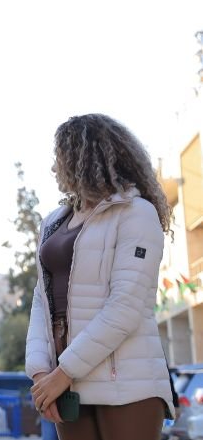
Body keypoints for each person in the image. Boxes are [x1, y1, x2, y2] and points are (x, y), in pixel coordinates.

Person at [26, 114, 175, 440]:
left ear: (83, 158)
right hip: (66, 385)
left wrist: (63, 372)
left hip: (126, 383)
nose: (54, 167)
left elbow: (126, 305)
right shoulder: (53, 221)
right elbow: (42, 299)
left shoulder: (137, 213)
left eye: (60, 156)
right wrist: (40, 373)